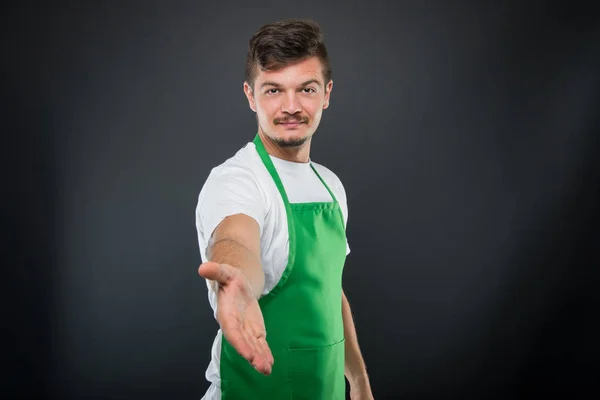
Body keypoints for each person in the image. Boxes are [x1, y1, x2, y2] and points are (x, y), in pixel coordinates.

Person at [195, 18, 374, 399]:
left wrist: (357, 380)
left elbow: (328, 290)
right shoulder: (238, 180)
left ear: (326, 93)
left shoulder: (330, 184)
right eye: (273, 90)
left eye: (306, 89)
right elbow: (234, 239)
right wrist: (237, 282)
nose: (290, 107)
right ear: (250, 95)